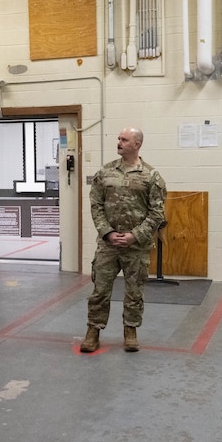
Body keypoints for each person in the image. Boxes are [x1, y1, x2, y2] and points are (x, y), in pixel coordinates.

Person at [81, 127, 167, 353]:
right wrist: (107, 233)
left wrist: (134, 235)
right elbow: (96, 205)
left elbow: (157, 213)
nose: (118, 142)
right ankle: (93, 330)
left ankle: (130, 330)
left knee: (134, 292)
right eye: (118, 138)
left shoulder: (151, 176)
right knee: (100, 290)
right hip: (108, 245)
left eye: (124, 139)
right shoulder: (105, 173)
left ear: (137, 144)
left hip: (136, 247)